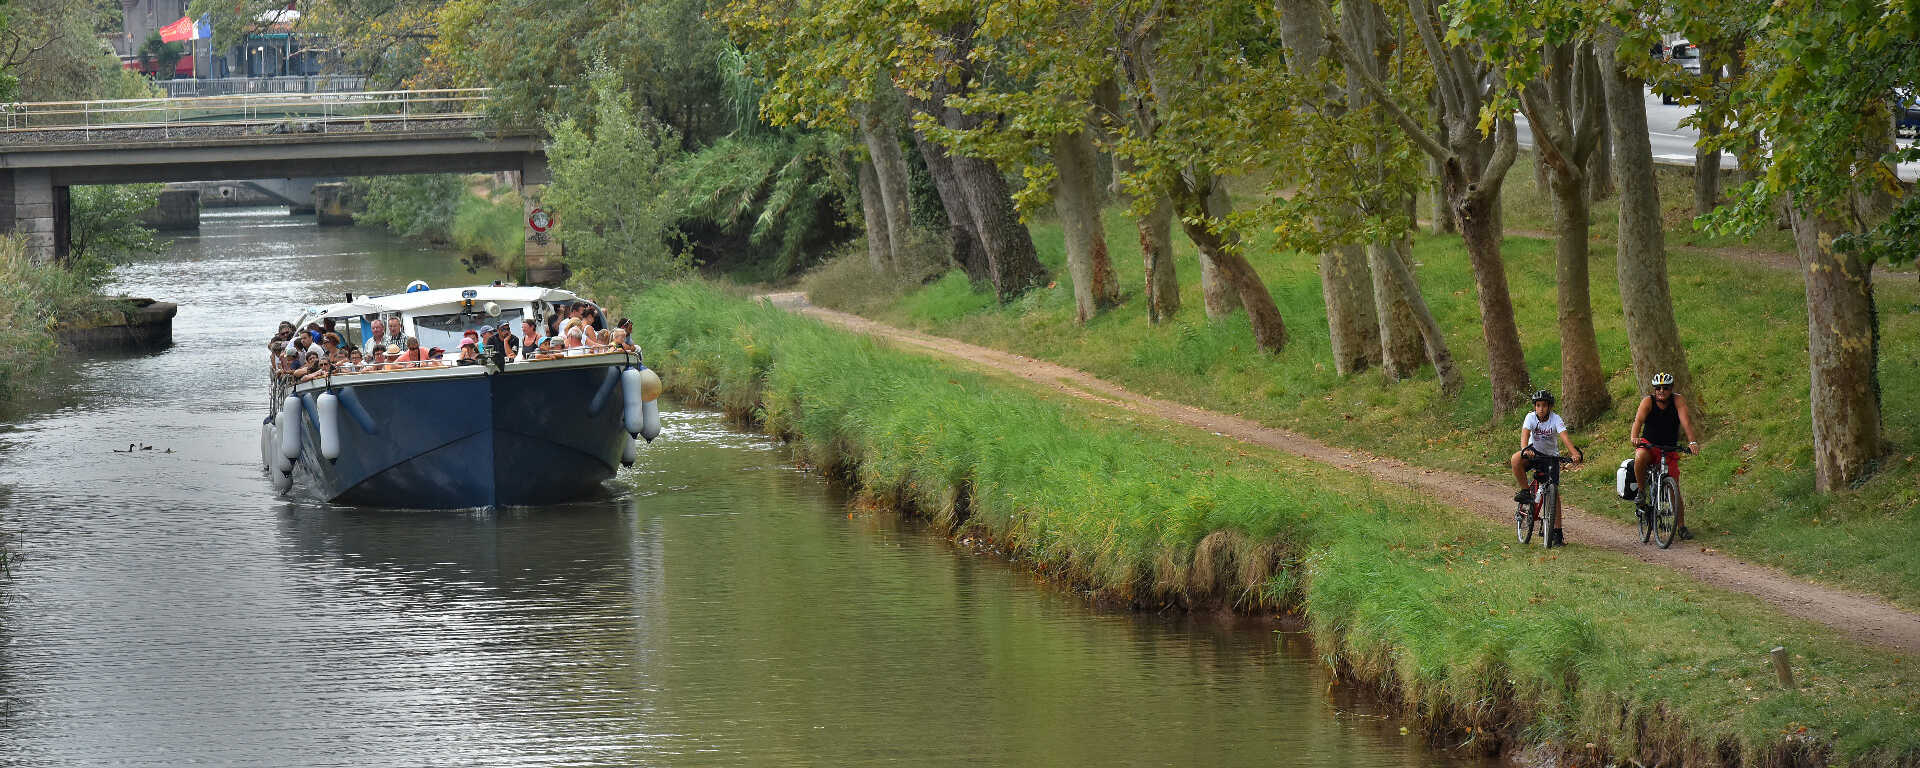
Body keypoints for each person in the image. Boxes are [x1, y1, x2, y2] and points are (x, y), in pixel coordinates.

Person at [1631, 372, 1701, 540]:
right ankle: (1641, 491)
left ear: (1671, 389)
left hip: (1669, 448)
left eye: (1665, 388)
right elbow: (1638, 421)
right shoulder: (1648, 401)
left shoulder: (1678, 400)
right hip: (1649, 445)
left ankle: (1681, 527)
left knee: (1673, 486)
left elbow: (1686, 422)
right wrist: (1634, 437)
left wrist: (1692, 442)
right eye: (1658, 388)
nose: (1661, 391)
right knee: (1639, 457)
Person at [1509, 390, 1584, 546]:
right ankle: (1525, 491)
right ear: (1535, 407)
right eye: (1538, 405)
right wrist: (1525, 449)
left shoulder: (1556, 419)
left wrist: (1574, 453)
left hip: (1551, 457)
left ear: (1550, 407)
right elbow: (1525, 435)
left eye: (1544, 405)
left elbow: (1564, 437)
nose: (1541, 409)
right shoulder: (1530, 417)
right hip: (1533, 453)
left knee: (1554, 492)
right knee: (1516, 459)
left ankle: (1557, 533)